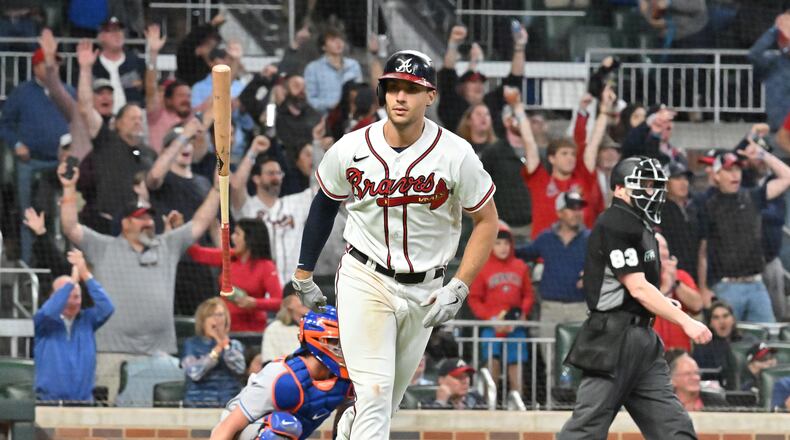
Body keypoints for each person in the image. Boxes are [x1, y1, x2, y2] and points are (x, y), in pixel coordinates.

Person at [291, 50, 498, 439]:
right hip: (364, 277)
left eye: (411, 89)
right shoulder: (352, 147)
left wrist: (460, 284)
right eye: (393, 88)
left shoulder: (456, 154)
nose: (400, 97)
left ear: (430, 95)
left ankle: (348, 426)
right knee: (374, 392)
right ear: (383, 94)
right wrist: (303, 271)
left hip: (425, 289)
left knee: (385, 402)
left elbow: (487, 221)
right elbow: (323, 205)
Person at [558, 156, 712, 439]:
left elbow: (637, 290)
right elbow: (637, 287)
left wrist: (666, 305)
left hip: (643, 338)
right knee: (585, 431)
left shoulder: (640, 224)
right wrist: (685, 320)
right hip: (612, 338)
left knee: (675, 430)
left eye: (654, 185)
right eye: (643, 185)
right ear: (619, 189)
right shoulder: (615, 221)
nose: (651, 192)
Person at [59, 162, 220, 403]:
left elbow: (199, 222)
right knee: (111, 426)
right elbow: (70, 227)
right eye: (140, 218)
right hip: (112, 354)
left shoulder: (167, 246)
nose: (148, 222)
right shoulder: (104, 247)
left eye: (149, 217)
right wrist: (70, 188)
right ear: (125, 224)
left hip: (159, 354)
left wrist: (217, 189)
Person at [210, 306, 353, 440]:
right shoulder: (281, 376)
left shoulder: (344, 380)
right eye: (336, 341)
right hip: (240, 430)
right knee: (285, 425)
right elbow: (225, 427)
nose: (342, 348)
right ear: (316, 339)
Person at [698, 144, 790, 323]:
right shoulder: (707, 205)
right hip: (725, 285)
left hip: (756, 283)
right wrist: (703, 289)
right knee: (727, 339)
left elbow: (787, 177)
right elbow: (702, 252)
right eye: (729, 170)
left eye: (738, 169)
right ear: (717, 175)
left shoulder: (753, 197)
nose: (735, 175)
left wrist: (763, 154)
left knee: (766, 338)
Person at [0, 45, 70, 262]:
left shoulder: (68, 91)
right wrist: (17, 143)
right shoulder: (22, 92)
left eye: (56, 63)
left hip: (62, 163)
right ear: (36, 66)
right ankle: (28, 264)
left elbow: (79, 123)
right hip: (30, 161)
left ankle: (66, 263)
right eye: (47, 63)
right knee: (27, 214)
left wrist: (71, 149)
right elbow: (4, 124)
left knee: (68, 214)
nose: (53, 67)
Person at [230, 136, 314, 284]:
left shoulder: (295, 203)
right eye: (270, 173)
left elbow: (324, 188)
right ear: (256, 179)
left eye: (278, 173)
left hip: (294, 289)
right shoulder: (247, 207)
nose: (276, 177)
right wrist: (253, 151)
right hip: (258, 288)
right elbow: (236, 185)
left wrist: (318, 147)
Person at [34, 249, 114, 403]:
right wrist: (71, 283)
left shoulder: (88, 320)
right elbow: (48, 311)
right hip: (48, 403)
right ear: (53, 297)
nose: (72, 301)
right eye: (66, 295)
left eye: (76, 296)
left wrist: (85, 275)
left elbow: (107, 307)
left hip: (83, 403)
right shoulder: (43, 322)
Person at [516, 191, 590, 347]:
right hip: (551, 307)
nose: (577, 213)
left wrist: (592, 275)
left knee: (580, 360)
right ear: (560, 212)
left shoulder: (591, 238)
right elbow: (523, 253)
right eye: (572, 208)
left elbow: (606, 263)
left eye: (579, 208)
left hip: (580, 307)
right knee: (550, 358)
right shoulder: (546, 238)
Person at [468, 223, 533, 395]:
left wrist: (521, 314)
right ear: (491, 245)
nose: (503, 248)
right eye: (498, 243)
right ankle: (490, 403)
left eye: (506, 243)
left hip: (515, 326)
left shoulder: (520, 266)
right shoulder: (483, 267)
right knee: (492, 361)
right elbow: (474, 299)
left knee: (516, 362)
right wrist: (490, 318)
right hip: (492, 326)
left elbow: (528, 295)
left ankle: (517, 401)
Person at [188, 218, 283, 332]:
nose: (232, 237)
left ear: (250, 239)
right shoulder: (228, 256)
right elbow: (196, 253)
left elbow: (279, 302)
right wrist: (184, 230)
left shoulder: (266, 266)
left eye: (237, 234)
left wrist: (254, 303)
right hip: (224, 329)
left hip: (252, 332)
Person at [182, 298, 246, 408]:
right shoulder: (191, 344)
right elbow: (194, 373)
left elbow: (240, 368)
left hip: (229, 404)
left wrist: (223, 343)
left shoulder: (234, 345)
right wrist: (215, 351)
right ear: (203, 320)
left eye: (220, 315)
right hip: (198, 404)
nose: (217, 320)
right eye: (211, 315)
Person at [652, 233, 703, 352]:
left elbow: (697, 305)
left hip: (680, 351)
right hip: (652, 352)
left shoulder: (681, 276)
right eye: (659, 247)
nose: (664, 252)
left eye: (666, 248)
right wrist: (665, 287)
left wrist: (676, 283)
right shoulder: (641, 278)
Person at [692, 301, 758, 391]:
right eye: (716, 317)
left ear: (733, 319)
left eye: (725, 316)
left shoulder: (749, 341)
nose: (722, 321)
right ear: (710, 323)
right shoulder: (703, 347)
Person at [92, 17, 146, 114]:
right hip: (100, 121)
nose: (117, 34)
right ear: (100, 37)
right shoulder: (92, 65)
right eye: (111, 31)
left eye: (119, 30)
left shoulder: (137, 63)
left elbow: (150, 95)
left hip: (132, 121)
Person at [658, 162, 701, 282]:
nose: (683, 183)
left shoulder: (694, 208)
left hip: (695, 273)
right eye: (677, 178)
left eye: (685, 178)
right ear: (665, 183)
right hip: (671, 274)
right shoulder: (658, 211)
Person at [303, 28, 363, 114]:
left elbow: (359, 91)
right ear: (323, 46)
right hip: (324, 117)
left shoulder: (353, 65)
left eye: (340, 39)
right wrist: (330, 106)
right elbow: (310, 99)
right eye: (333, 40)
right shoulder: (313, 68)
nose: (338, 43)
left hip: (349, 116)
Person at [260, 289, 309, 363]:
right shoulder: (274, 329)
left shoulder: (318, 326)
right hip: (284, 371)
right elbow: (268, 362)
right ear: (287, 303)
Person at [420, 358, 486, 410]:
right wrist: (440, 403)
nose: (465, 381)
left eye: (467, 376)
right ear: (441, 380)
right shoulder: (427, 402)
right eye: (458, 377)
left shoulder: (475, 399)